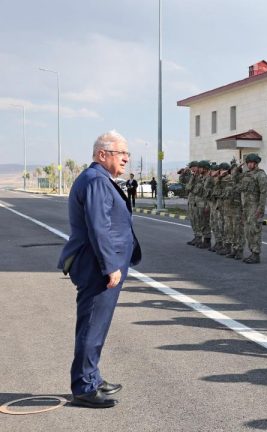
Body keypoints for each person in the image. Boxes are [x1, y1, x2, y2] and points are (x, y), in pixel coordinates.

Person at [57, 130, 142, 408]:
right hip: (97, 266)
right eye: (121, 153)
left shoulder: (99, 178)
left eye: (127, 153)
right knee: (92, 325)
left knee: (97, 324)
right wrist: (110, 266)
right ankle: (84, 387)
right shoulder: (96, 180)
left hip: (99, 264)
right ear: (102, 154)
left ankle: (91, 376)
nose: (126, 158)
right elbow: (99, 227)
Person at [240, 154, 267, 263]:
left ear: (256, 163)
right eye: (248, 163)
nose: (249, 165)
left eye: (251, 163)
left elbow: (263, 193)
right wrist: (236, 168)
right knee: (248, 231)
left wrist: (260, 209)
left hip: (255, 207)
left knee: (255, 230)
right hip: (246, 207)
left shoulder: (260, 175)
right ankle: (252, 252)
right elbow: (235, 179)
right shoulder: (246, 174)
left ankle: (256, 254)